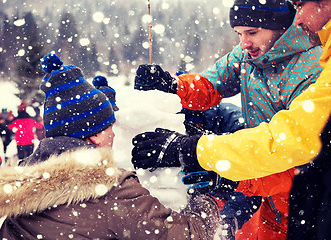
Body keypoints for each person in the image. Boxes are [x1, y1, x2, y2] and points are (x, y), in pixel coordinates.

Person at [131, 0, 324, 239]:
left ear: (281, 27)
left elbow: (299, 157)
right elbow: (211, 85)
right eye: (239, 33)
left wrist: (227, 173)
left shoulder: (310, 71)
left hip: (302, 199)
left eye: (252, 32)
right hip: (267, 194)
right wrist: (174, 85)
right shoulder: (248, 55)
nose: (244, 43)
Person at [0, 52, 220, 239]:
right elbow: (189, 235)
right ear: (94, 136)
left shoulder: (23, 186)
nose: (114, 134)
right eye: (109, 126)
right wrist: (204, 196)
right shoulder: (110, 190)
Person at [286, 1, 331, 239]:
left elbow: (295, 136)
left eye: (300, 5)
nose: (297, 20)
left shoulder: (310, 69)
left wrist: (198, 149)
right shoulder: (243, 61)